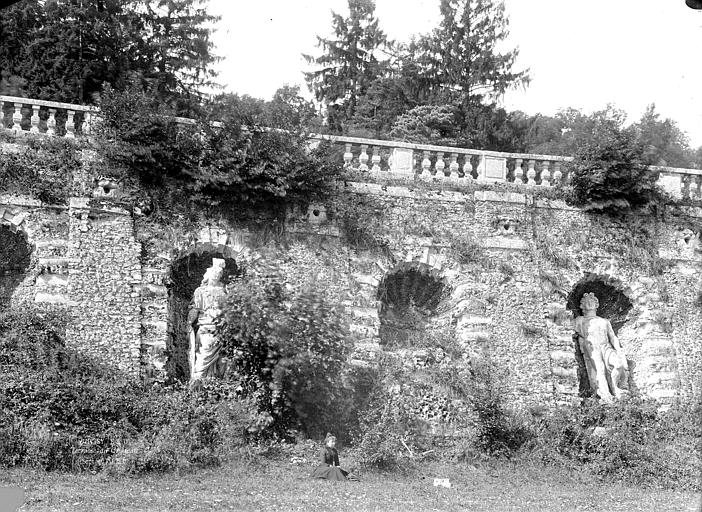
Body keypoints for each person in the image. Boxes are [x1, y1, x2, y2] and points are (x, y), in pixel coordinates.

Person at [573, 292, 629, 402]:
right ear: (582, 306)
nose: (590, 303)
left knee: (619, 365)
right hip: (592, 347)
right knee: (600, 370)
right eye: (587, 302)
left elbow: (612, 337)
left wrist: (618, 349)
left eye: (592, 301)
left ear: (596, 304)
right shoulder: (580, 320)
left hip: (606, 346)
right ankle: (605, 394)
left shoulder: (604, 321)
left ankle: (616, 388)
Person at [189, 258, 227, 387]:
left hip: (221, 328)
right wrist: (189, 322)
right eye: (214, 273)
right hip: (206, 327)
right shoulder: (200, 291)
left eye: (219, 273)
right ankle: (197, 380)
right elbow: (196, 309)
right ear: (209, 274)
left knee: (222, 360)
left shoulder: (224, 291)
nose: (217, 275)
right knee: (205, 352)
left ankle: (214, 383)